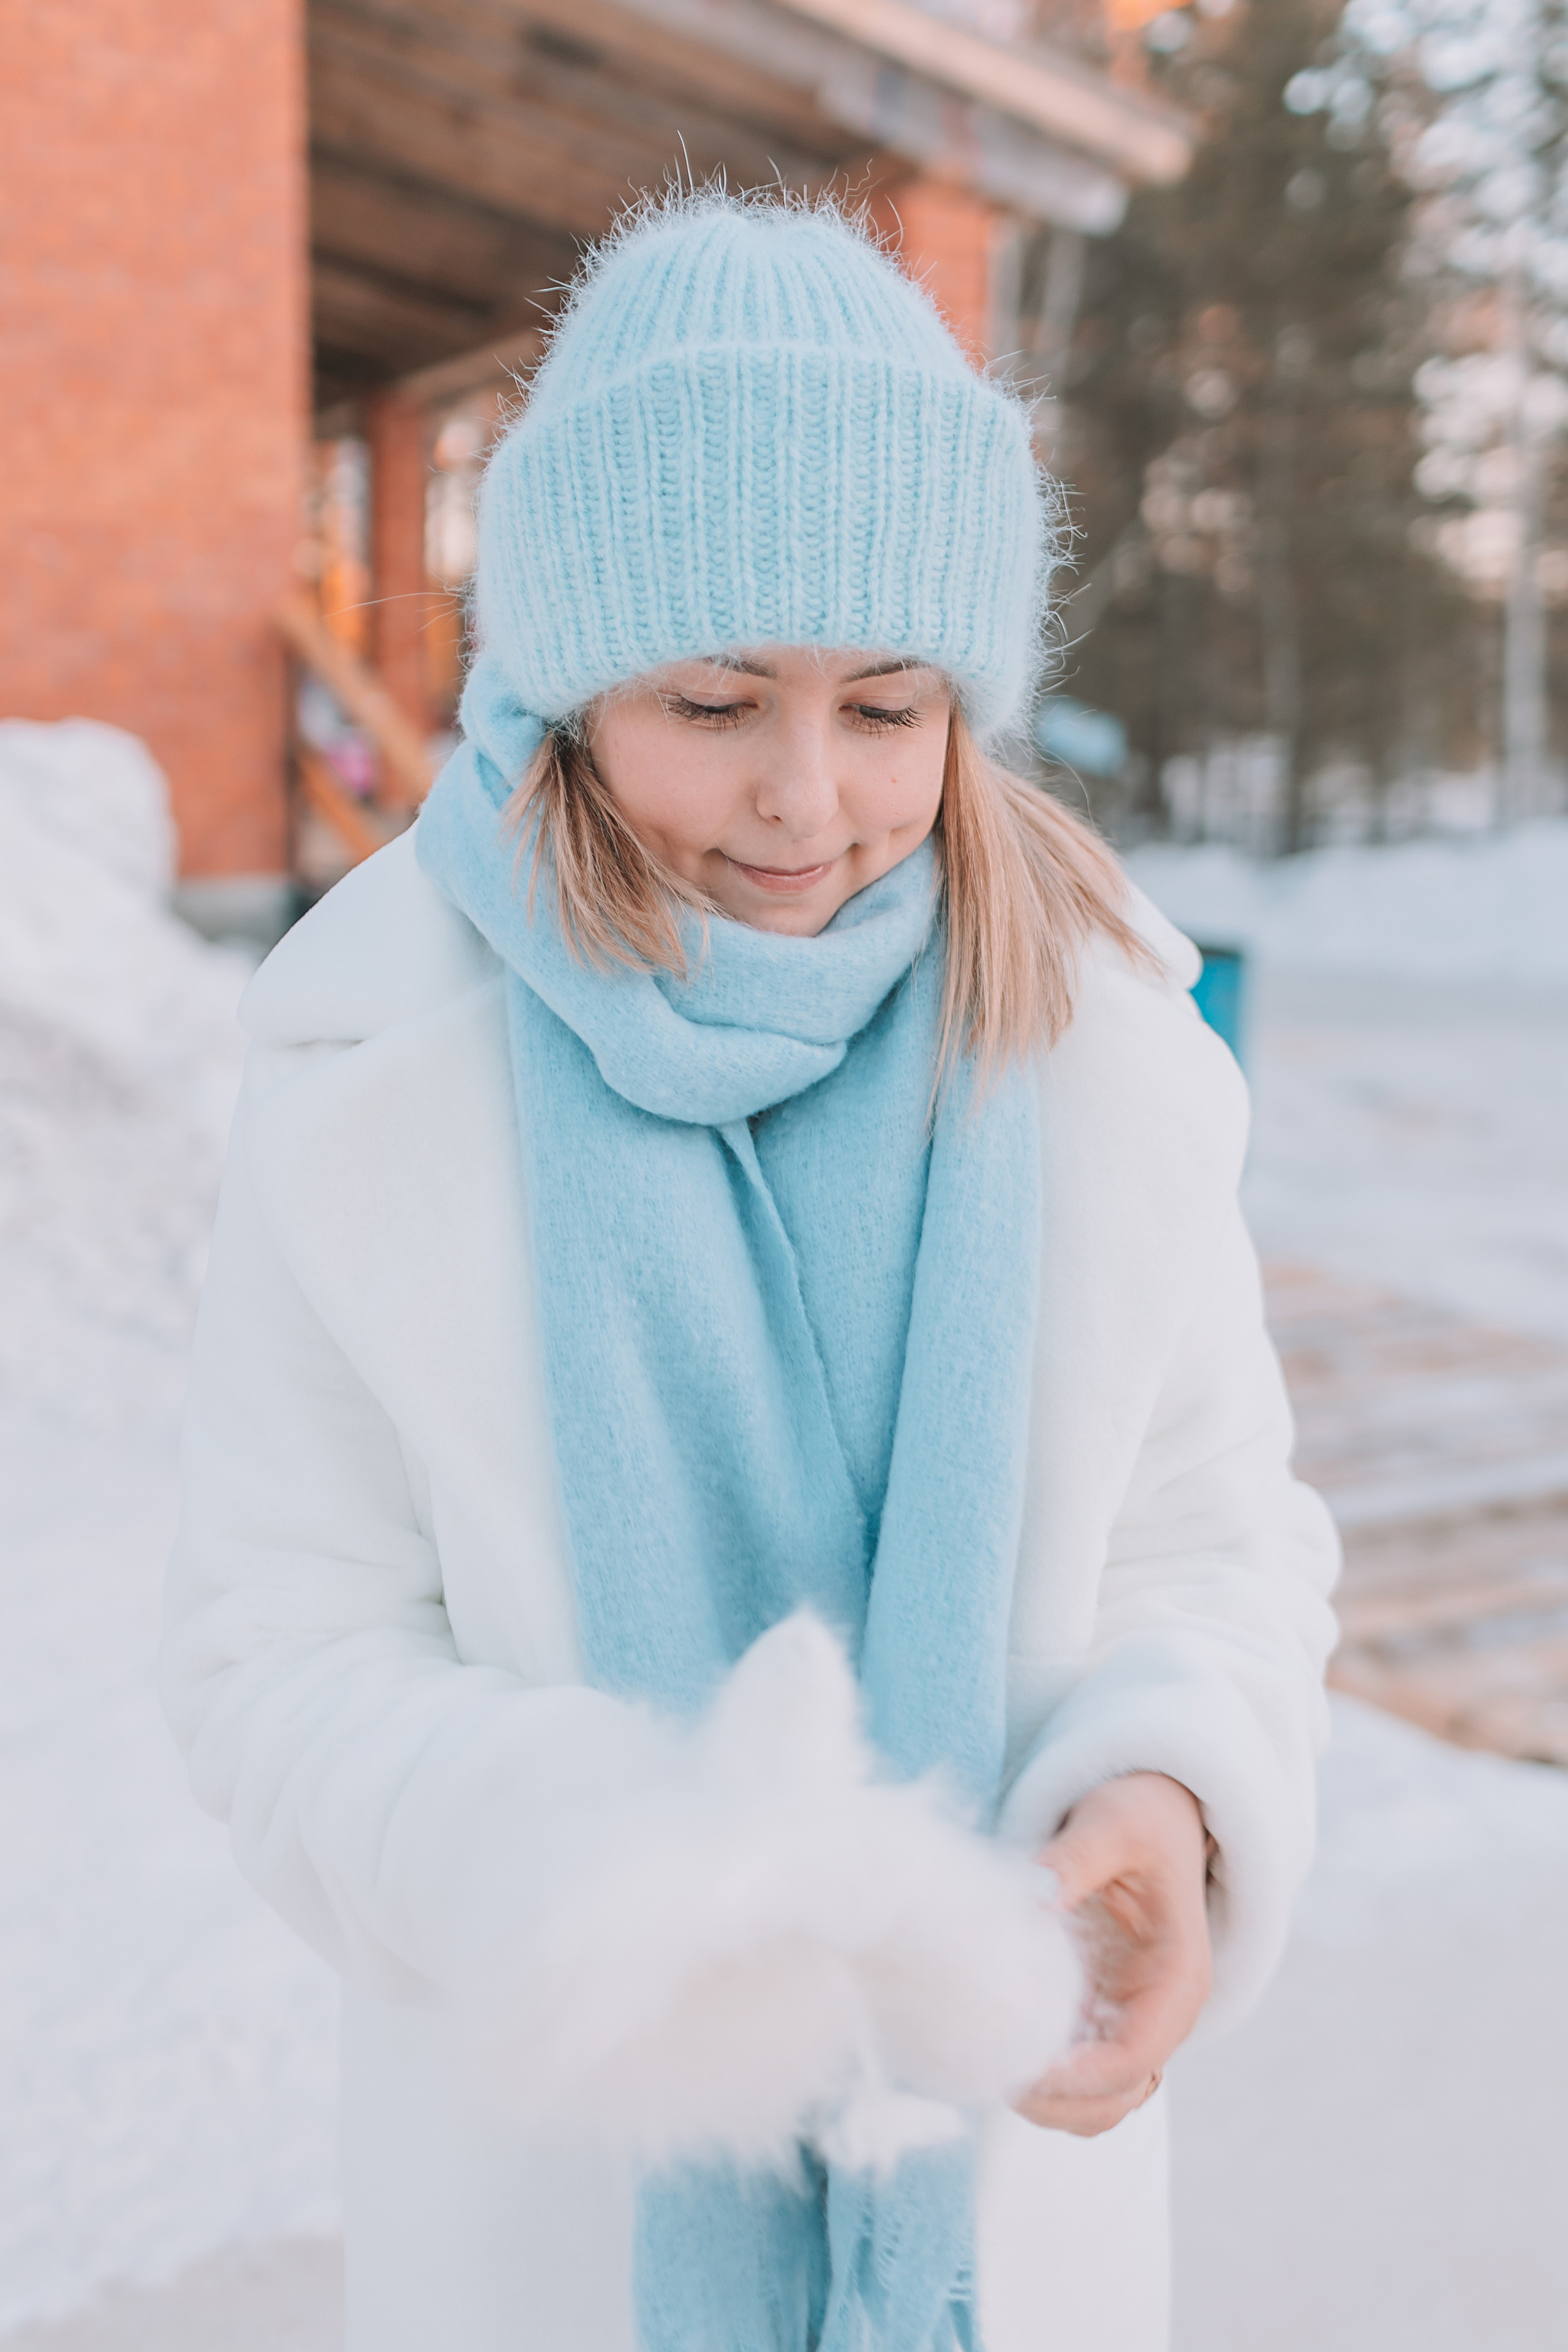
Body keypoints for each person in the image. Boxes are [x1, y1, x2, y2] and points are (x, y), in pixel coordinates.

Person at [160, 194, 1338, 2352]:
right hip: (567, 2221)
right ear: (576, 684)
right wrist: (580, 1850)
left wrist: (1170, 1790)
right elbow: (275, 1653)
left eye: (889, 708)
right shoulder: (369, 1092)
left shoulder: (1106, 1064)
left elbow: (1216, 1543)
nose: (810, 801)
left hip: (1006, 2209)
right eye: (717, 699)